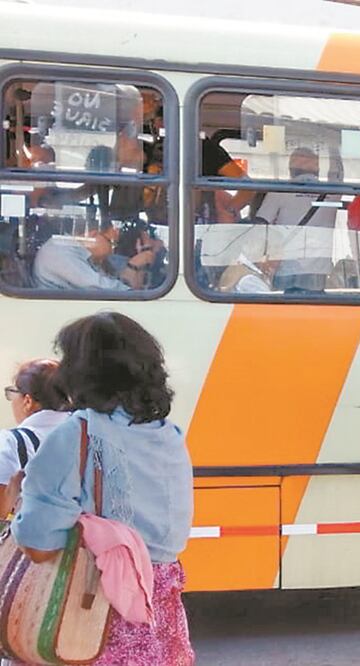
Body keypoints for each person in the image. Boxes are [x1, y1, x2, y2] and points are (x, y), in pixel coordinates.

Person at [13, 312, 194, 665]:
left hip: (94, 622)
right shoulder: (168, 435)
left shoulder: (76, 434)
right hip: (162, 626)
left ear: (81, 372)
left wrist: (16, 501)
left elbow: (38, 545)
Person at [254, 147, 338, 292]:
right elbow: (337, 173)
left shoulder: (279, 191)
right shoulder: (333, 192)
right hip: (318, 269)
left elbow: (261, 225)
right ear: (317, 168)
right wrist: (334, 149)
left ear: (291, 168)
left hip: (285, 265)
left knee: (285, 304)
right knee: (314, 305)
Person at [0, 358, 68, 517]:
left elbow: (1, 511)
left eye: (13, 393)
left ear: (28, 401)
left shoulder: (11, 443)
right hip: (86, 530)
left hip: (32, 530)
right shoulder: (87, 435)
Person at [33, 220, 157, 290]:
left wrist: (141, 261)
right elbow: (102, 288)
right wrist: (132, 265)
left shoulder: (86, 255)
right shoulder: (59, 251)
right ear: (93, 236)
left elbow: (119, 278)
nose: (112, 250)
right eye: (111, 243)